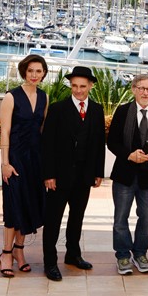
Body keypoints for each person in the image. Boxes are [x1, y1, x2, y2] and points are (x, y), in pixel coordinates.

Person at [41, 66, 106, 281]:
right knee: (53, 220)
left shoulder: (96, 110)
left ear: (91, 86)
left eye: (82, 86)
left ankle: (73, 254)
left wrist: (98, 172)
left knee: (77, 218)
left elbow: (99, 143)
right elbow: (47, 144)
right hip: (58, 177)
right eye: (75, 86)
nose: (78, 90)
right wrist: (48, 174)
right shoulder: (58, 109)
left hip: (84, 177)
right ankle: (50, 262)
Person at [107, 73, 148, 275]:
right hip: (124, 175)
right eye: (142, 88)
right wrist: (129, 155)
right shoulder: (122, 111)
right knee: (120, 218)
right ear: (134, 89)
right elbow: (112, 142)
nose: (146, 92)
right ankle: (123, 256)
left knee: (147, 218)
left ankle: (140, 253)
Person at [0, 54, 48, 278]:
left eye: (39, 71)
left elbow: (43, 132)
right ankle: (5, 253)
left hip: (35, 160)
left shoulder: (44, 97)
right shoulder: (11, 97)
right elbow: (5, 132)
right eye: (30, 71)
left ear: (44, 73)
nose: (34, 75)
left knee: (28, 205)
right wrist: (5, 163)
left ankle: (19, 252)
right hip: (15, 159)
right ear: (23, 72)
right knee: (13, 206)